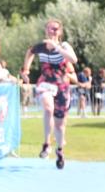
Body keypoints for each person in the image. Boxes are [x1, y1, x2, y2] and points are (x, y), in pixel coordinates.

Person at [20, 18, 78, 170]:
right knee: (47, 108)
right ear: (46, 30)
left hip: (62, 85)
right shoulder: (41, 46)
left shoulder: (64, 45)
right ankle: (46, 144)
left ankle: (60, 150)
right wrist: (26, 69)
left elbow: (74, 59)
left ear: (60, 32)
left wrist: (57, 48)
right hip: (46, 81)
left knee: (59, 125)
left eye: (55, 29)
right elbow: (30, 51)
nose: (52, 31)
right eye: (50, 29)